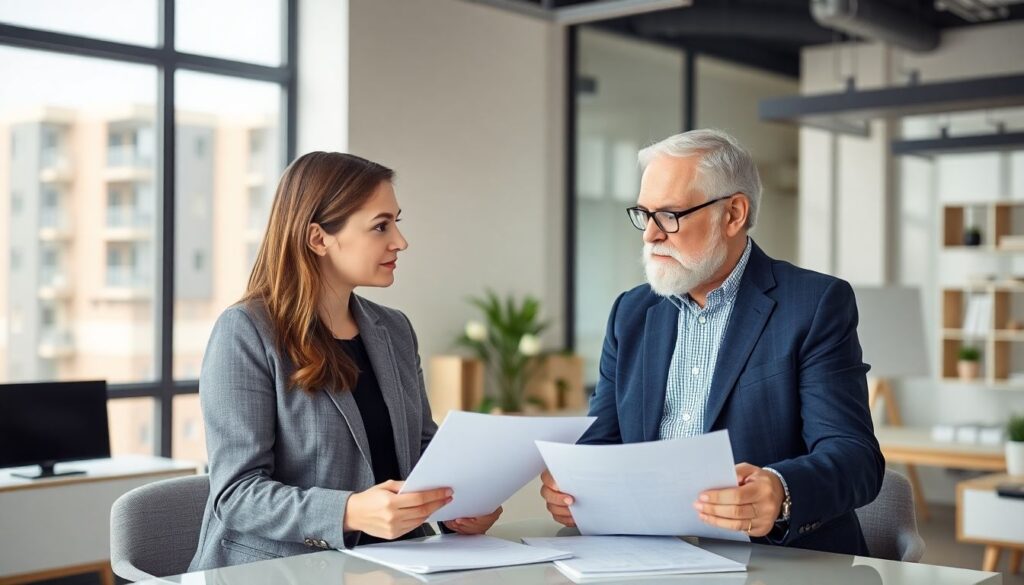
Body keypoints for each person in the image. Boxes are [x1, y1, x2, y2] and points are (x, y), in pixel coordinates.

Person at [540, 129, 884, 555]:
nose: (650, 235)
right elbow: (602, 442)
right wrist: (575, 487)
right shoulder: (630, 314)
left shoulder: (813, 304)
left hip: (777, 562)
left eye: (669, 215)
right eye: (644, 214)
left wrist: (781, 493)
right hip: (645, 557)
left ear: (734, 214)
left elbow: (856, 457)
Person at [190, 152, 501, 570]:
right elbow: (236, 495)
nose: (400, 242)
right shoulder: (245, 332)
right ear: (318, 238)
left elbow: (422, 449)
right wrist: (349, 511)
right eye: (380, 226)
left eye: (397, 222)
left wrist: (457, 506)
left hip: (400, 565)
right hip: (285, 571)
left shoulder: (394, 329)